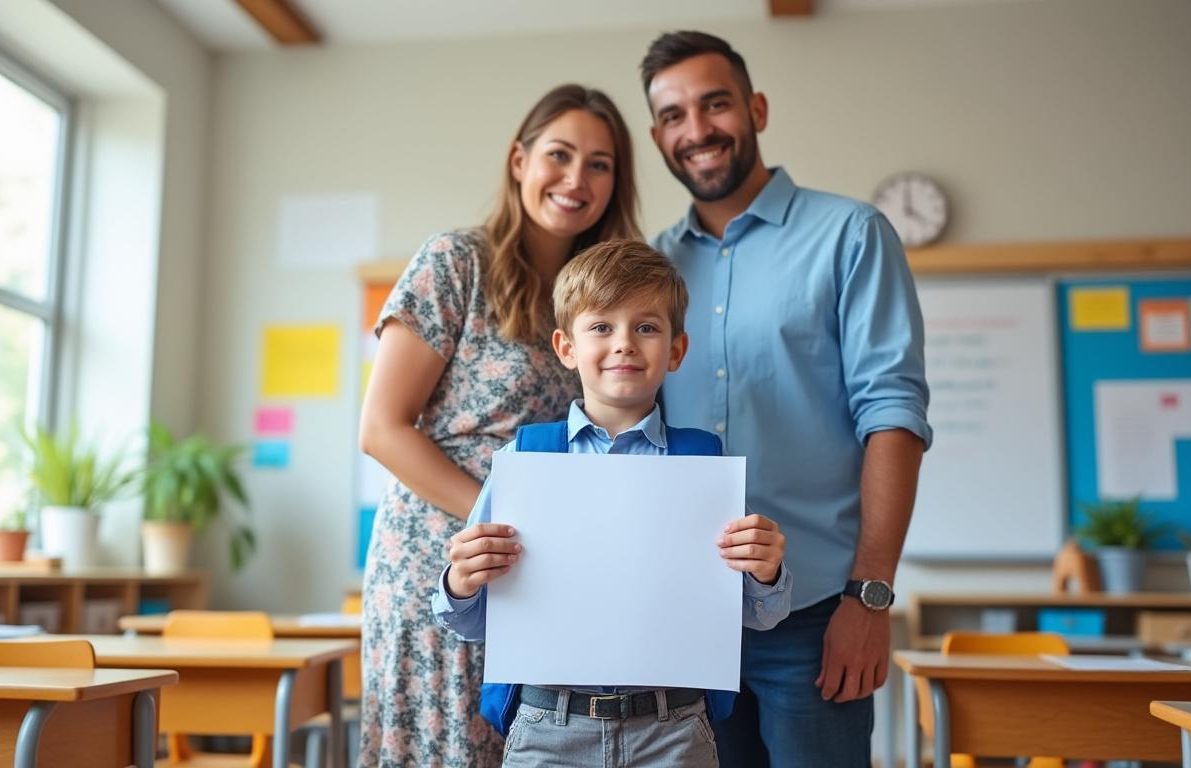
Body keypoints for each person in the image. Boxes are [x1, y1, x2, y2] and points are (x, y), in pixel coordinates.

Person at [640, 31, 933, 767]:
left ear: (756, 109)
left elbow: (893, 416)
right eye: (674, 115)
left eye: (716, 104)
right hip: (683, 616)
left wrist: (868, 598)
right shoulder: (648, 268)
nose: (698, 130)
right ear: (657, 136)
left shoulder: (851, 235)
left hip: (814, 615)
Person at [357, 84, 641, 767]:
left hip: (542, 569)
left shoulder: (603, 295)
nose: (577, 179)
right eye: (560, 155)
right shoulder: (457, 261)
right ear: (520, 160)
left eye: (599, 164)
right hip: (441, 560)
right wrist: (497, 519)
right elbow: (382, 429)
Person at [432, 239, 792, 767]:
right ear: (566, 348)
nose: (624, 343)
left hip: (674, 730)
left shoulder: (706, 464)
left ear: (675, 350)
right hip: (547, 728)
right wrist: (461, 581)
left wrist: (765, 572)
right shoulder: (525, 458)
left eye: (646, 327)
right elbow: (466, 619)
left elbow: (760, 615)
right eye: (601, 327)